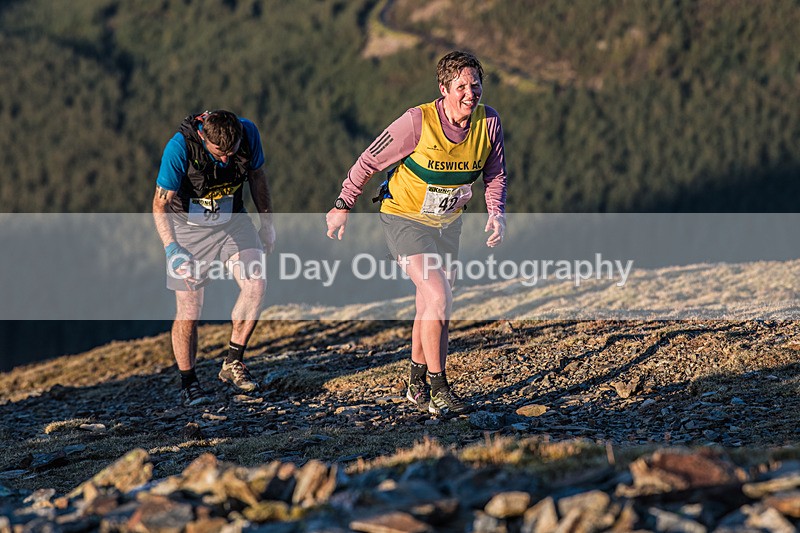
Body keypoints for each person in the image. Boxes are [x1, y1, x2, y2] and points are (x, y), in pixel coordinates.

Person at [326, 51, 507, 416]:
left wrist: (496, 213)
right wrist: (343, 205)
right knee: (439, 296)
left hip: (448, 222)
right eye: (461, 87)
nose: (470, 93)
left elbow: (495, 174)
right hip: (404, 218)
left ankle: (415, 381)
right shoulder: (417, 121)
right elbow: (369, 160)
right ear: (443, 89)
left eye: (475, 85)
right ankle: (440, 390)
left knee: (430, 302)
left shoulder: (489, 123)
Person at [152, 109, 275, 407]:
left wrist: (267, 223)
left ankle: (233, 361)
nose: (225, 159)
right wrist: (172, 249)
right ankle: (189, 382)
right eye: (219, 153)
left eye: (230, 153)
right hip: (188, 229)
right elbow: (160, 204)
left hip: (233, 220)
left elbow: (257, 176)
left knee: (256, 284)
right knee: (190, 307)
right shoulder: (179, 148)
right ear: (204, 137)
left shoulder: (248, 134)